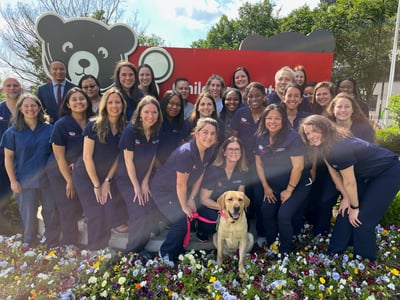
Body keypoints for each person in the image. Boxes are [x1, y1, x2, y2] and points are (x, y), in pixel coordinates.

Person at [299, 115, 400, 261]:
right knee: (344, 212)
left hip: (389, 172)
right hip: (367, 175)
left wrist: (354, 206)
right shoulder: (324, 147)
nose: (311, 136)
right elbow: (335, 174)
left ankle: (365, 263)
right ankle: (333, 255)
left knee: (362, 220)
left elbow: (350, 182)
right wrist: (346, 198)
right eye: (307, 133)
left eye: (315, 130)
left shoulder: (340, 147)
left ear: (325, 128)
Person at [150, 118, 219, 262]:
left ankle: (178, 252)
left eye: (213, 133)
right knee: (181, 220)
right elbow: (180, 184)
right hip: (164, 190)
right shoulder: (186, 153)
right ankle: (165, 255)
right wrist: (184, 206)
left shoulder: (208, 149)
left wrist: (192, 198)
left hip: (180, 190)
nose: (209, 137)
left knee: (198, 218)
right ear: (196, 133)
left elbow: (200, 173)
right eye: (205, 132)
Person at [72, 87, 128, 251]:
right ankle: (95, 251)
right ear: (105, 105)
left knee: (107, 210)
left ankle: (104, 248)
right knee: (95, 213)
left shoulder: (125, 128)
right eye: (110, 102)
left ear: (122, 105)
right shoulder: (94, 126)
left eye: (117, 102)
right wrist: (97, 185)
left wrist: (107, 181)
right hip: (85, 176)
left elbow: (119, 157)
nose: (114, 106)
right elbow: (87, 157)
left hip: (105, 177)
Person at [1, 94, 59, 247]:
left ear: (39, 107)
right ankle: (29, 243)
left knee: (51, 212)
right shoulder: (12, 132)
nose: (30, 109)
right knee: (28, 216)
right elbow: (8, 158)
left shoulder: (50, 129)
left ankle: (52, 243)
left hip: (48, 180)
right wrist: (13, 181)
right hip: (24, 181)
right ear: (20, 109)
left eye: (33, 105)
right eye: (26, 106)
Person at [255, 104, 311, 254]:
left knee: (284, 215)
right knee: (266, 211)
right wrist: (266, 187)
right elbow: (259, 163)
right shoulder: (261, 137)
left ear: (283, 120)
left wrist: (289, 190)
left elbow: (298, 167)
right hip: (273, 185)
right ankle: (273, 245)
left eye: (277, 118)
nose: (272, 122)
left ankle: (285, 251)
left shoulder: (292, 138)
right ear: (264, 119)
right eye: (269, 118)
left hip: (298, 184)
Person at [115, 96, 163, 255]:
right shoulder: (131, 131)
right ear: (140, 113)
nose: (151, 116)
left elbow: (151, 159)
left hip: (142, 178)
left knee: (148, 209)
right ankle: (130, 253)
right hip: (126, 179)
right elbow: (128, 162)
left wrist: (145, 183)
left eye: (154, 112)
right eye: (147, 112)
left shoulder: (156, 131)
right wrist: (136, 186)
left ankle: (141, 248)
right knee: (139, 211)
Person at [45, 87, 93, 247]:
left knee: (82, 208)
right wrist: (69, 181)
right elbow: (59, 156)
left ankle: (82, 243)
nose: (79, 102)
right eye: (74, 99)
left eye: (82, 98)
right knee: (68, 208)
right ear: (68, 104)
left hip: (81, 173)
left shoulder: (93, 122)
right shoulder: (62, 124)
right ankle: (69, 244)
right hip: (61, 174)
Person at [231, 82, 266, 245]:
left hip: (262, 163)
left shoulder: (268, 114)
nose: (254, 99)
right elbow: (234, 137)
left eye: (257, 95)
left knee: (259, 198)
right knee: (242, 198)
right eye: (250, 96)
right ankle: (238, 233)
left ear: (264, 97)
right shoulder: (240, 113)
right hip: (243, 162)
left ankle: (260, 233)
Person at [196, 136, 248, 242]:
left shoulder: (242, 171)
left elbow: (240, 197)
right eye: (230, 149)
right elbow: (204, 200)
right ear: (224, 152)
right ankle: (201, 231)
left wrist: (237, 212)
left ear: (241, 153)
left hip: (230, 207)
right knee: (216, 220)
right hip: (211, 206)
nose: (234, 152)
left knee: (242, 217)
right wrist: (225, 210)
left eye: (237, 149)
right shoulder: (213, 171)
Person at [0, 77, 22, 235]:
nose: (12, 88)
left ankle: (25, 231)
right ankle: (4, 234)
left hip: (23, 161)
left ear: (20, 89)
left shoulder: (27, 108)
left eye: (15, 86)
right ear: (3, 89)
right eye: (9, 86)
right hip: (2, 161)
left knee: (25, 198)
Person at [156, 90, 191, 167]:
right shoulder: (155, 122)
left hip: (176, 167)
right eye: (171, 103)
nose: (175, 107)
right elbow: (150, 150)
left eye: (178, 105)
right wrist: (160, 169)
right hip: (155, 168)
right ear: (165, 103)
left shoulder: (185, 125)